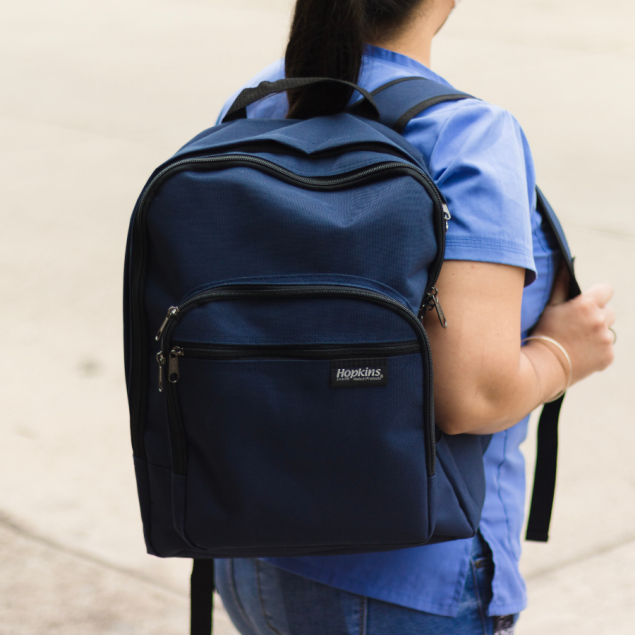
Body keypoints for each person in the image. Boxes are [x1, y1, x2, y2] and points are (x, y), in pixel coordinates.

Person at [213, 0, 616, 633]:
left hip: (251, 551)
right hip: (408, 581)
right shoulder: (467, 135)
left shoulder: (260, 101)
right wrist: (564, 354)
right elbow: (471, 397)